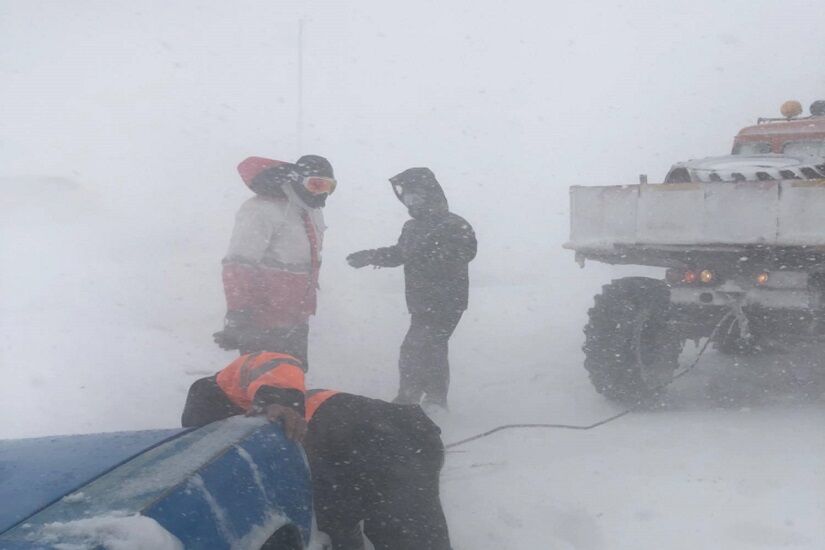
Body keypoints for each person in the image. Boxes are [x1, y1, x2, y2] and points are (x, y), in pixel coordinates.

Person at [181, 354, 452, 550]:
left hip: (382, 437)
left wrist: (278, 401)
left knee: (408, 535)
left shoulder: (229, 393)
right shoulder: (279, 451)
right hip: (389, 446)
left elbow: (279, 359)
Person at [346, 168, 476, 409]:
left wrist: (436, 254)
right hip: (421, 301)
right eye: (408, 198)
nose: (412, 202)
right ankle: (434, 399)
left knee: (416, 347)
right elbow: (400, 254)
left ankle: (409, 400)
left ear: (431, 194)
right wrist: (370, 256)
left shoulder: (454, 224)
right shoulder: (412, 227)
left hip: (447, 301)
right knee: (431, 348)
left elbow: (467, 252)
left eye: (417, 197)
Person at [213, 155, 336, 367]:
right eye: (315, 184)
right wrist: (238, 314)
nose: (321, 193)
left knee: (292, 382)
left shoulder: (309, 211)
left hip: (296, 319)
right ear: (298, 180)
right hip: (262, 320)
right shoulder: (262, 209)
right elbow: (238, 264)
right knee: (264, 383)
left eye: (328, 187)